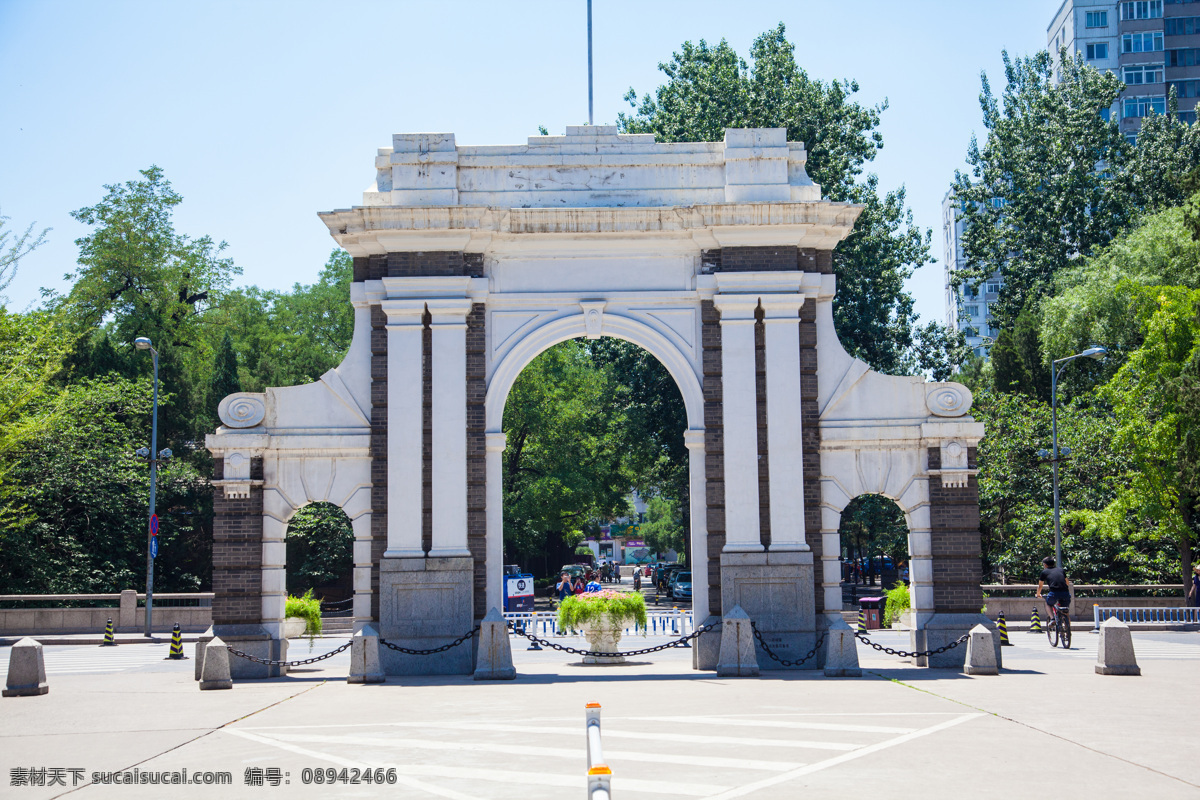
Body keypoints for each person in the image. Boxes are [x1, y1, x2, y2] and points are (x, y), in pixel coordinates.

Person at [1035, 556, 1072, 623]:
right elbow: (1067, 582)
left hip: (1054, 593)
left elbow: (1040, 586)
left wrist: (1038, 594)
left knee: (1048, 604)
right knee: (1065, 612)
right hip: (1065, 593)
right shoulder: (1061, 570)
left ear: (1045, 565)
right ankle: (1067, 630)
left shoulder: (1044, 572)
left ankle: (1052, 619)